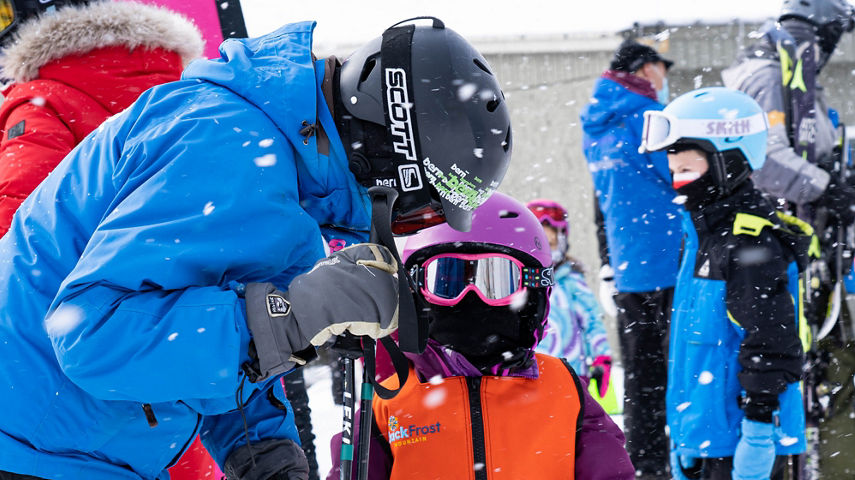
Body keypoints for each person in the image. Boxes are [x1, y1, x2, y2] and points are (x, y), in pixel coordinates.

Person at [0, 16, 512, 480]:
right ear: (391, 155)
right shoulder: (227, 147)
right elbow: (94, 337)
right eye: (418, 213)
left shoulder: (281, 171)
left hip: (75, 449)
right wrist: (297, 315)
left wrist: (263, 450)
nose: (404, 230)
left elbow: (208, 337)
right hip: (30, 450)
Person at [327, 192, 635, 480]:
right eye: (447, 280)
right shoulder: (389, 402)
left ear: (533, 296)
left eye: (497, 280)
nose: (471, 296)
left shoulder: (565, 392)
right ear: (415, 293)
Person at [640, 87, 807, 480]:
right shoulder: (703, 237)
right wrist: (686, 438)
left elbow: (770, 342)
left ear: (727, 164)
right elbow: (692, 345)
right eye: (673, 170)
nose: (678, 182)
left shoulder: (748, 245)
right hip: (708, 438)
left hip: (741, 441)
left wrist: (759, 430)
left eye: (687, 170)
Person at [0, 0, 203, 237]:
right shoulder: (190, 87)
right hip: (202, 254)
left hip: (99, 259)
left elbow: (19, 223)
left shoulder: (42, 101)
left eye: (3, 15)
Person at [580, 38, 682, 477]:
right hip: (673, 264)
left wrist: (609, 259)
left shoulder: (595, 126)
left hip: (629, 270)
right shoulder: (651, 119)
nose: (664, 78)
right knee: (685, 371)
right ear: (644, 68)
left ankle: (645, 464)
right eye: (661, 68)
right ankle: (687, 459)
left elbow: (601, 202)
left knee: (641, 378)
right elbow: (681, 179)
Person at [526, 199, 618, 414]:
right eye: (541, 242)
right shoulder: (522, 285)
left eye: (552, 241)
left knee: (573, 420)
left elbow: (592, 321)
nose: (548, 247)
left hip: (573, 372)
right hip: (532, 374)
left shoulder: (571, 281)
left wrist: (601, 356)